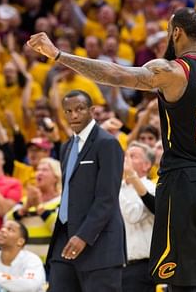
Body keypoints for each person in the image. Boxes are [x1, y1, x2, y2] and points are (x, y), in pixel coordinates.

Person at [27, 6, 196, 291]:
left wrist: (59, 55)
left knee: (180, 283)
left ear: (176, 31)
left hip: (185, 184)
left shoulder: (171, 71)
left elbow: (115, 74)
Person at [46, 90, 125, 291]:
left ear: (92, 110)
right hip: (64, 238)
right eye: (69, 111)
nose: (74, 115)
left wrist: (84, 235)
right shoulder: (66, 147)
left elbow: (107, 198)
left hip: (98, 243)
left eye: (79, 109)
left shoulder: (107, 143)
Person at [120, 141, 156, 292]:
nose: (126, 159)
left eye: (132, 156)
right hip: (117, 266)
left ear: (146, 165)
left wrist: (113, 187)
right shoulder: (120, 188)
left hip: (141, 266)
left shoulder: (151, 188)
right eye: (126, 155)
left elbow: (133, 215)